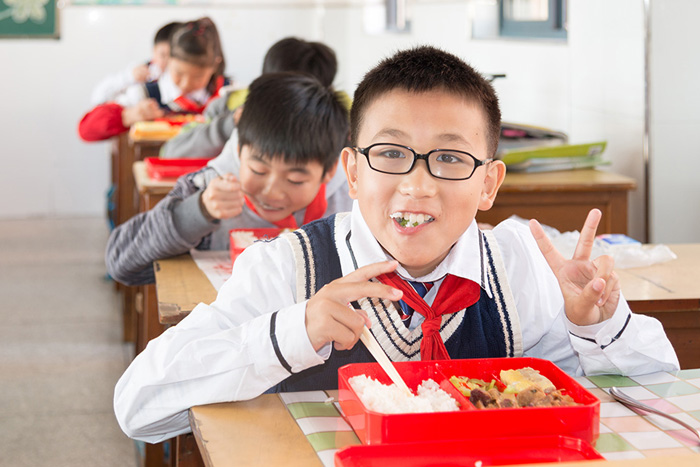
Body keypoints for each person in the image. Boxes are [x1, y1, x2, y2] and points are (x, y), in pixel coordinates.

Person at [113, 46, 679, 443]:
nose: (418, 184)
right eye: (390, 153)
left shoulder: (520, 269)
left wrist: (598, 329)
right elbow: (138, 407)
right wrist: (292, 331)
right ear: (352, 174)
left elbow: (659, 405)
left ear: (489, 184)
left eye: (451, 158)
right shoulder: (286, 268)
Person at [105, 71, 351, 286]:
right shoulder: (209, 187)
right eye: (258, 171)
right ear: (239, 151)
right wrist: (197, 212)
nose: (272, 192)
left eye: (296, 180)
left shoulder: (353, 205)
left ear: (329, 171)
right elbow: (121, 263)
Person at [159, 36, 352, 159]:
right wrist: (229, 125)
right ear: (263, 84)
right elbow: (170, 152)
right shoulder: (229, 106)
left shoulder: (342, 116)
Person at [78, 17, 228, 142]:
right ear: (168, 60)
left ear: (215, 66)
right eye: (179, 74)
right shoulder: (145, 94)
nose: (186, 84)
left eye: (198, 77)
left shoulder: (226, 94)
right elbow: (86, 130)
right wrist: (128, 115)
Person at [89, 21, 182, 106]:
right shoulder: (136, 74)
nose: (168, 62)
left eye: (173, 56)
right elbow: (98, 99)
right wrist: (129, 77)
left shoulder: (186, 82)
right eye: (163, 55)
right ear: (153, 52)